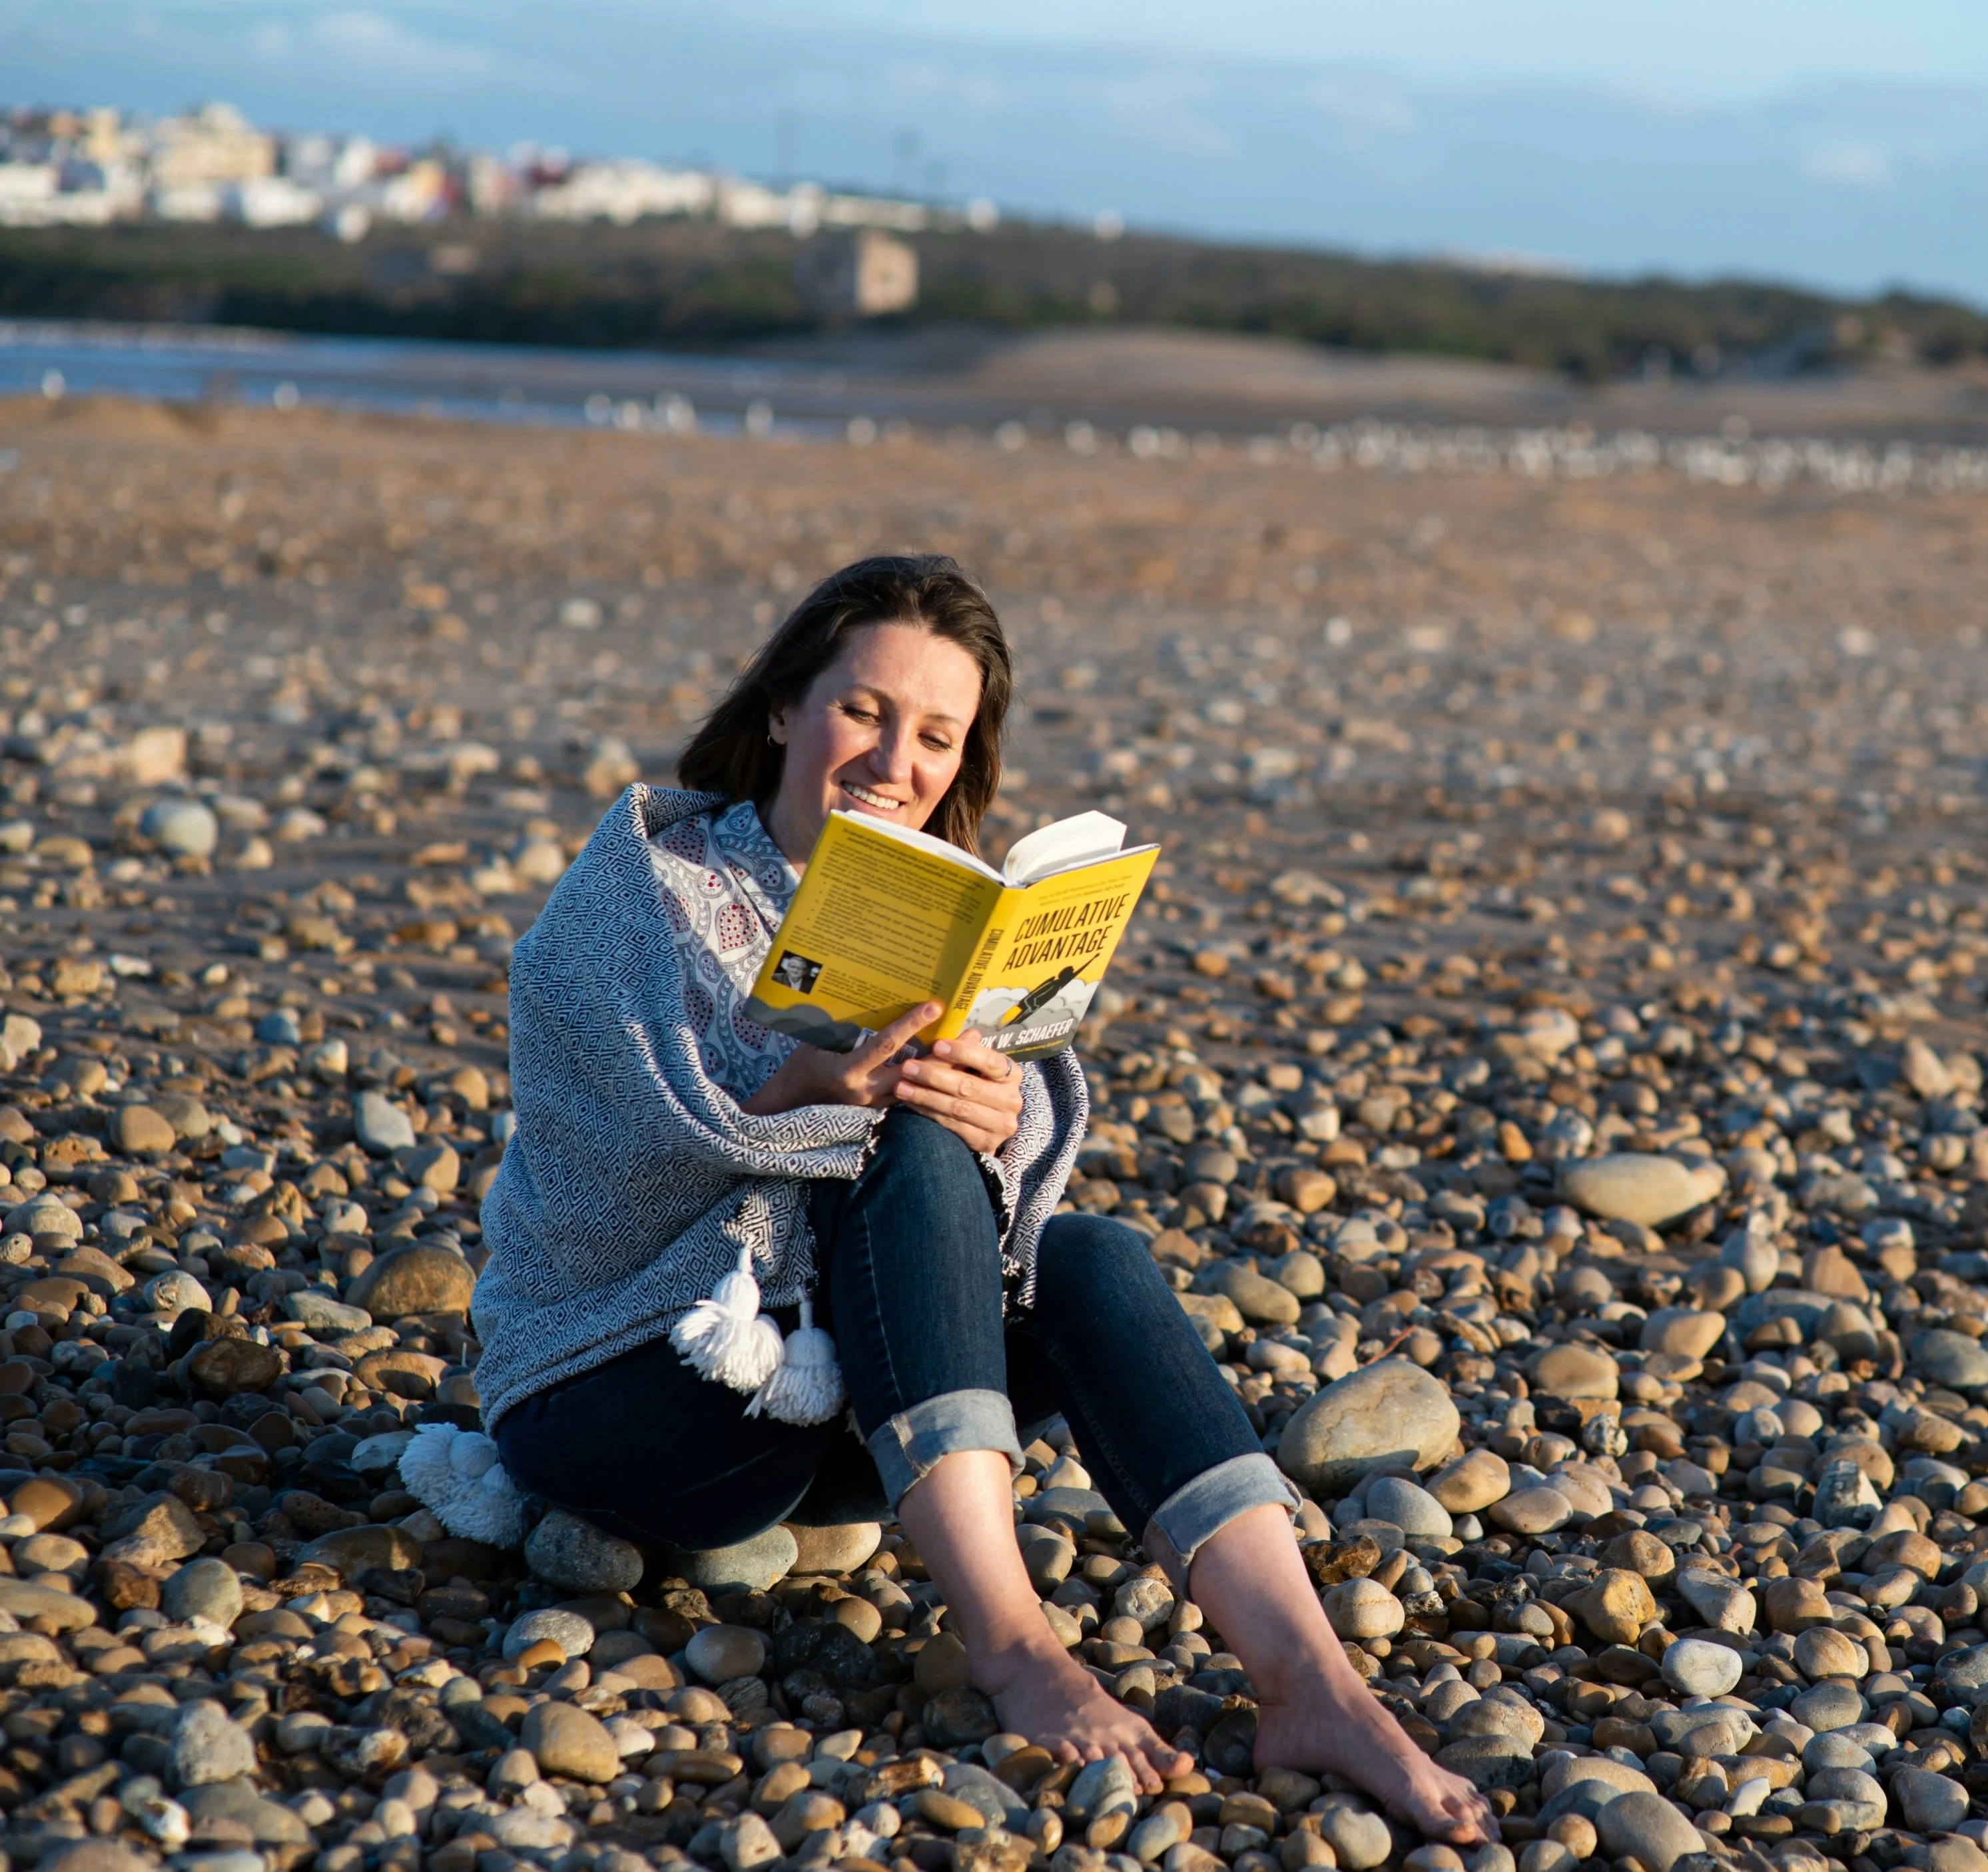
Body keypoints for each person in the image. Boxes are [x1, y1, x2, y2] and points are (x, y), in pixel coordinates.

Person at [467, 555, 1490, 1837]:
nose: (895, 761)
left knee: (1093, 1254)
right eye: (862, 711)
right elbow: (596, 1163)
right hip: (616, 1389)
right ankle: (1014, 1647)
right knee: (899, 1144)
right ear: (783, 707)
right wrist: (811, 1089)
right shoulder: (639, 885)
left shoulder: (951, 918)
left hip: (833, 1403)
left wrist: (1001, 1121)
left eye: (936, 735)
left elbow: (996, 1215)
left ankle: (1312, 1682)